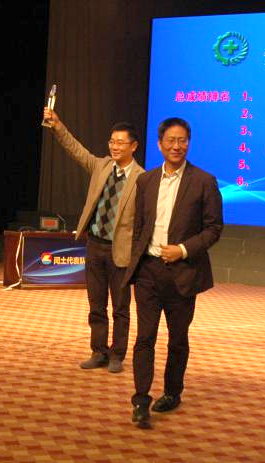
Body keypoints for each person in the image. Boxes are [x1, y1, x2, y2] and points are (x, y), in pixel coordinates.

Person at [125, 117, 223, 429]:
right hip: (148, 272)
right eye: (170, 140)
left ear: (188, 143)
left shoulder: (204, 181)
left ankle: (172, 392)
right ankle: (141, 400)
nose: (176, 146)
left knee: (178, 339)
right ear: (160, 144)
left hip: (183, 273)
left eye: (182, 140)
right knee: (144, 338)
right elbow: (140, 227)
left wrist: (182, 250)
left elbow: (213, 229)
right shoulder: (146, 181)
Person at [43, 107, 144, 373]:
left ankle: (117, 355)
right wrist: (57, 126)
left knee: (120, 308)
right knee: (96, 305)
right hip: (95, 245)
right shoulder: (102, 166)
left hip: (120, 252)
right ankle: (98, 351)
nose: (115, 147)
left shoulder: (142, 179)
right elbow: (76, 150)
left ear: (133, 146)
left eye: (120, 142)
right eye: (112, 141)